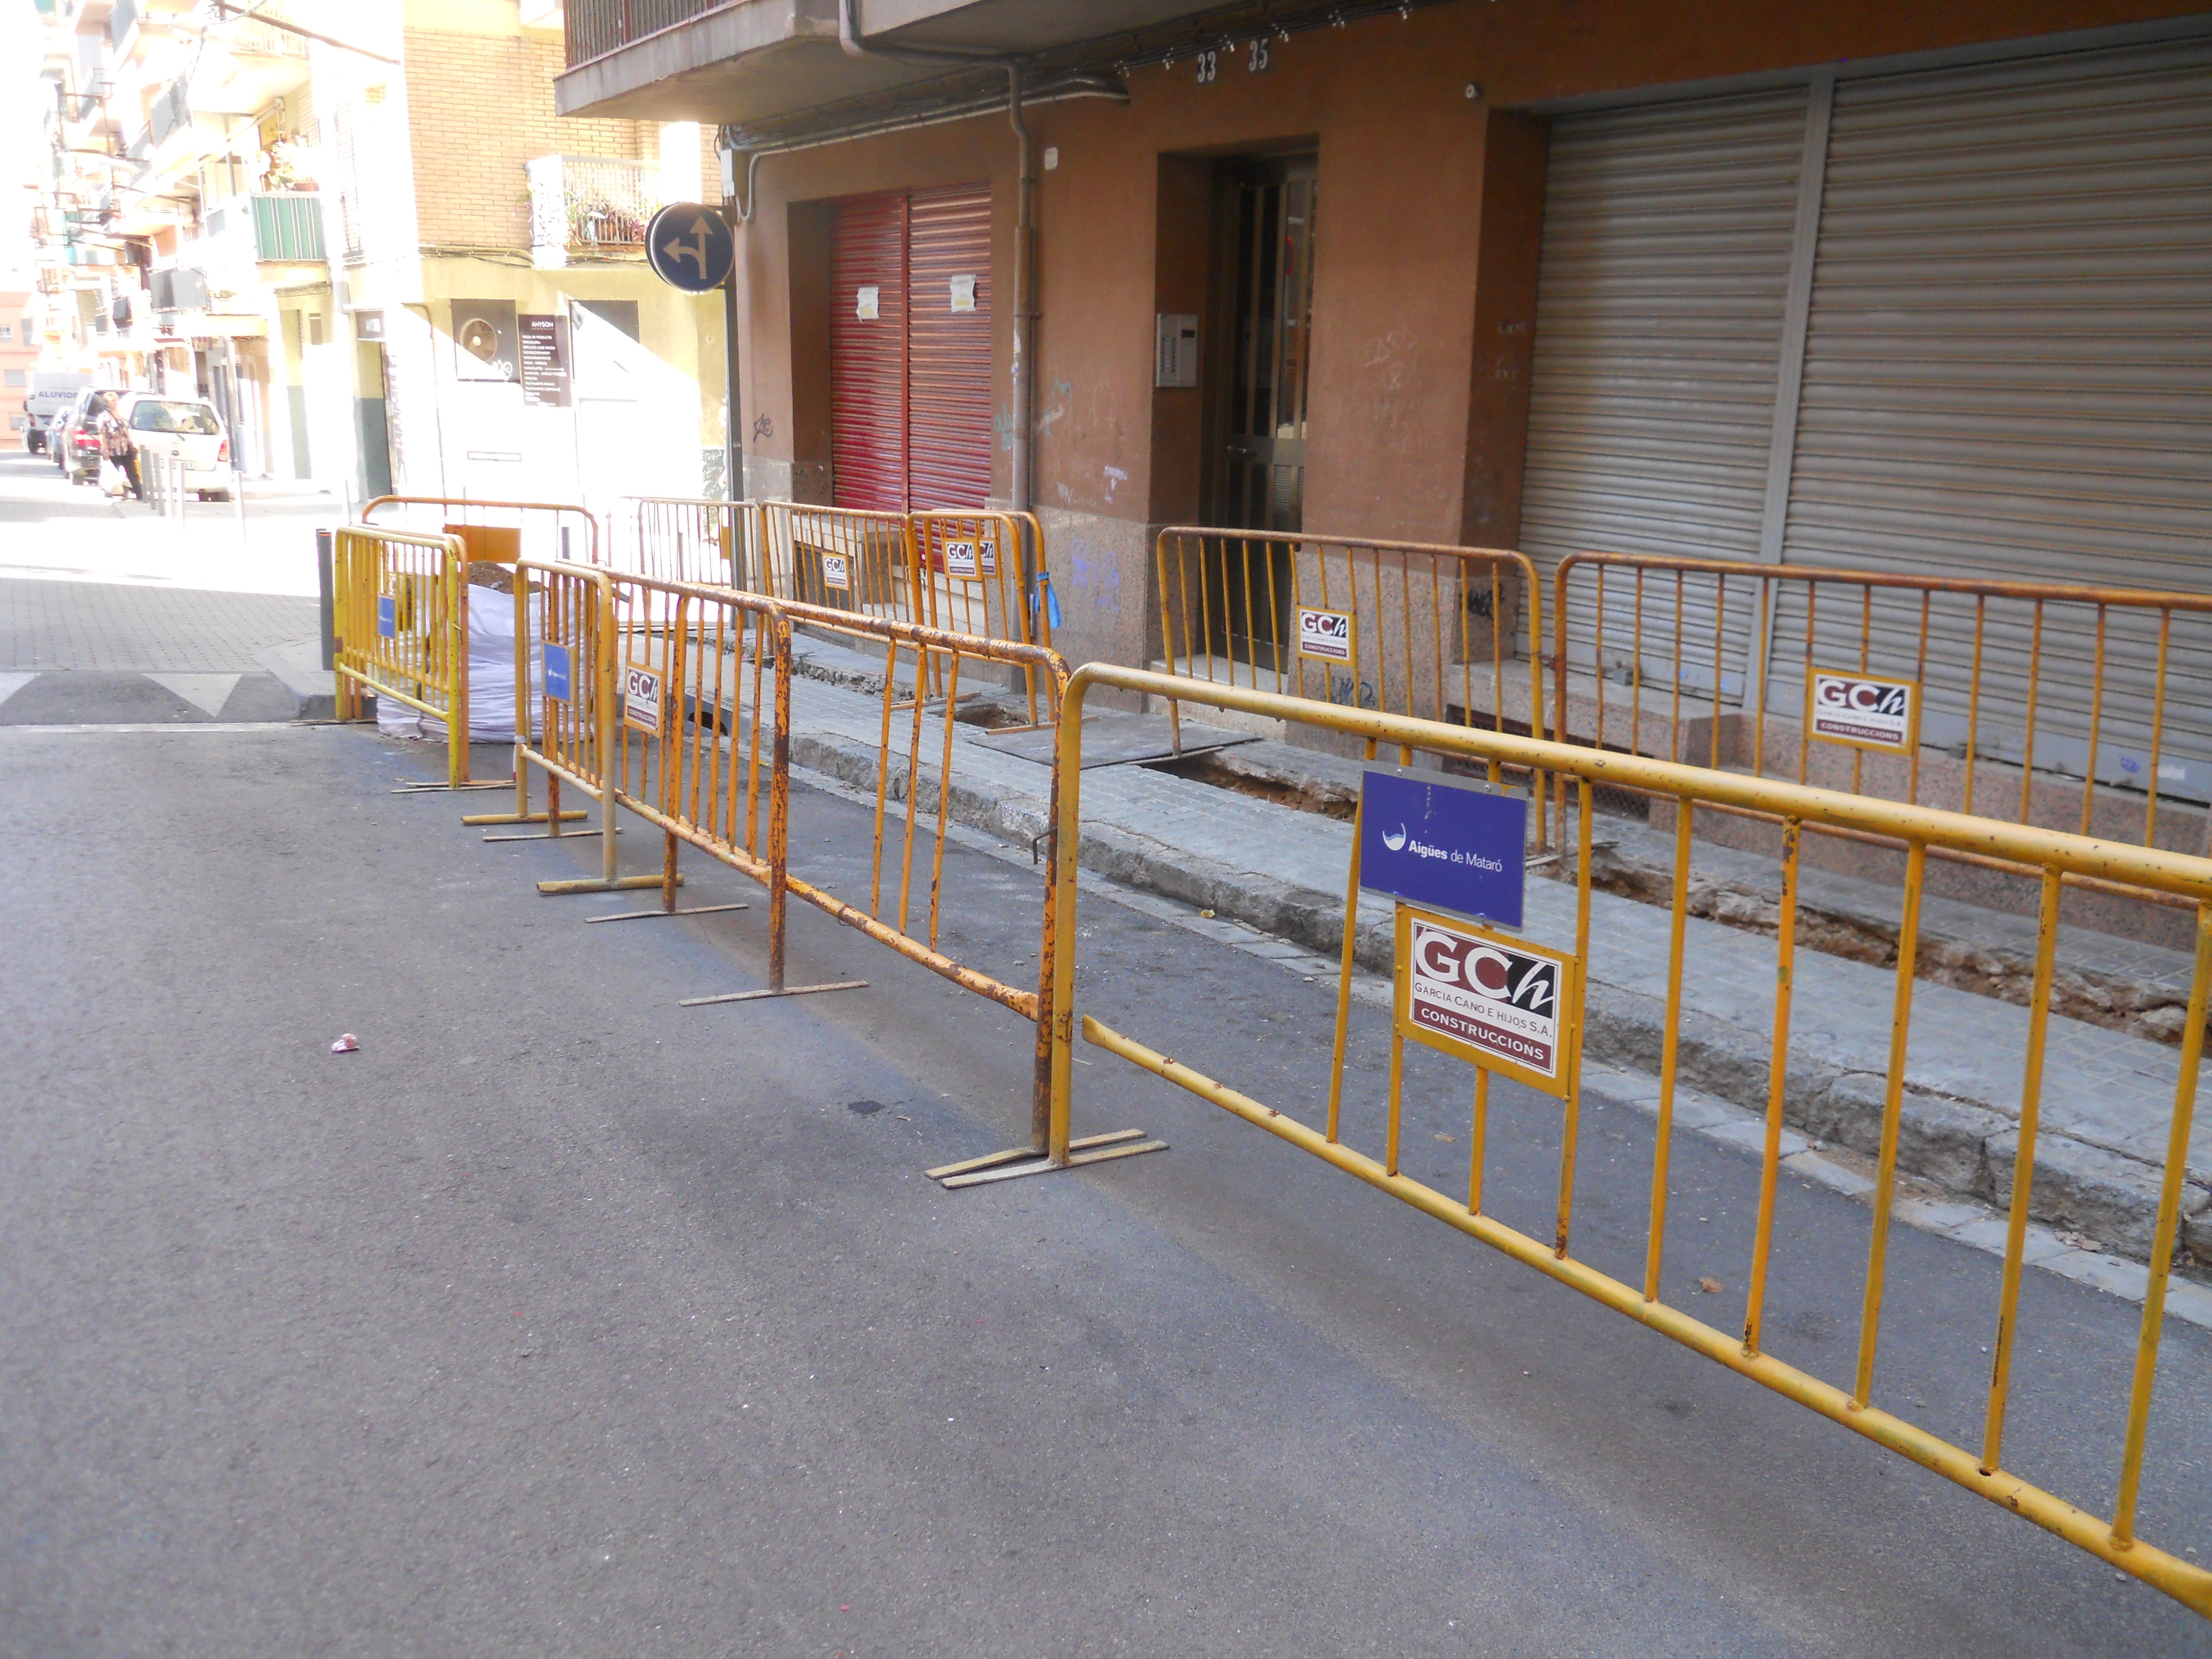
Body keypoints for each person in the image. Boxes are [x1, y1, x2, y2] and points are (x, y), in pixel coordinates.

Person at [94, 392, 144, 502]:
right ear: (107, 403)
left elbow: (128, 431)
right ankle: (110, 490)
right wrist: (105, 449)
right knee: (112, 472)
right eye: (111, 401)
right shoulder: (104, 416)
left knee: (132, 472)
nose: (114, 403)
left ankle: (140, 494)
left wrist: (134, 444)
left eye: (116, 400)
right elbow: (102, 434)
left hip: (126, 448)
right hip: (113, 449)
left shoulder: (122, 414)